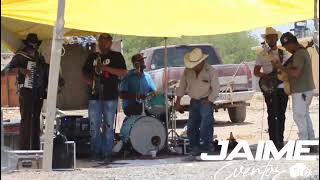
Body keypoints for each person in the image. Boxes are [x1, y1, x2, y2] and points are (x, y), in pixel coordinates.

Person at [82, 33, 127, 163]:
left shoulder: (117, 56)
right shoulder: (92, 56)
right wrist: (90, 82)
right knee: (94, 126)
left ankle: (107, 153)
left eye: (106, 41)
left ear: (110, 42)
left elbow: (123, 72)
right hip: (94, 96)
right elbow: (84, 72)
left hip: (110, 95)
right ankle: (96, 152)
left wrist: (106, 68)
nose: (103, 43)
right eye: (101, 41)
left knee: (108, 126)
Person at [6, 33, 50, 150]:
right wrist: (21, 70)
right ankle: (24, 148)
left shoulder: (39, 57)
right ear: (27, 45)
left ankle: (35, 148)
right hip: (26, 91)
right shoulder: (20, 56)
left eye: (35, 46)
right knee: (26, 119)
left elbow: (44, 70)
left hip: (38, 92)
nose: (33, 48)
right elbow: (7, 70)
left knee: (36, 119)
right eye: (31, 46)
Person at [174, 48, 220, 158]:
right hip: (194, 101)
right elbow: (182, 86)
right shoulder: (187, 71)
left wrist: (209, 100)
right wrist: (178, 101)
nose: (193, 66)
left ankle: (207, 146)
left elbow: (216, 88)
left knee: (206, 125)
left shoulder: (210, 70)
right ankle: (194, 147)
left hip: (206, 101)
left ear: (202, 62)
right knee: (191, 126)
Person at [273, 32, 316, 143]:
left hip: (301, 90)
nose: (287, 49)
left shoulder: (299, 54)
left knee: (299, 117)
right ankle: (310, 141)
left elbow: (295, 73)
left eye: (286, 47)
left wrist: (281, 67)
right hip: (306, 89)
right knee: (305, 116)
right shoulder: (301, 52)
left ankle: (304, 143)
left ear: (291, 43)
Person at [254, 27, 290, 150]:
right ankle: (272, 141)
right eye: (268, 37)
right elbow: (256, 71)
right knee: (271, 114)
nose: (271, 39)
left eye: (273, 37)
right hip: (269, 88)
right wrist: (266, 76)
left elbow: (289, 67)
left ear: (276, 38)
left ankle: (280, 139)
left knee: (281, 114)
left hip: (281, 87)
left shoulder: (283, 53)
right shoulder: (261, 54)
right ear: (266, 39)